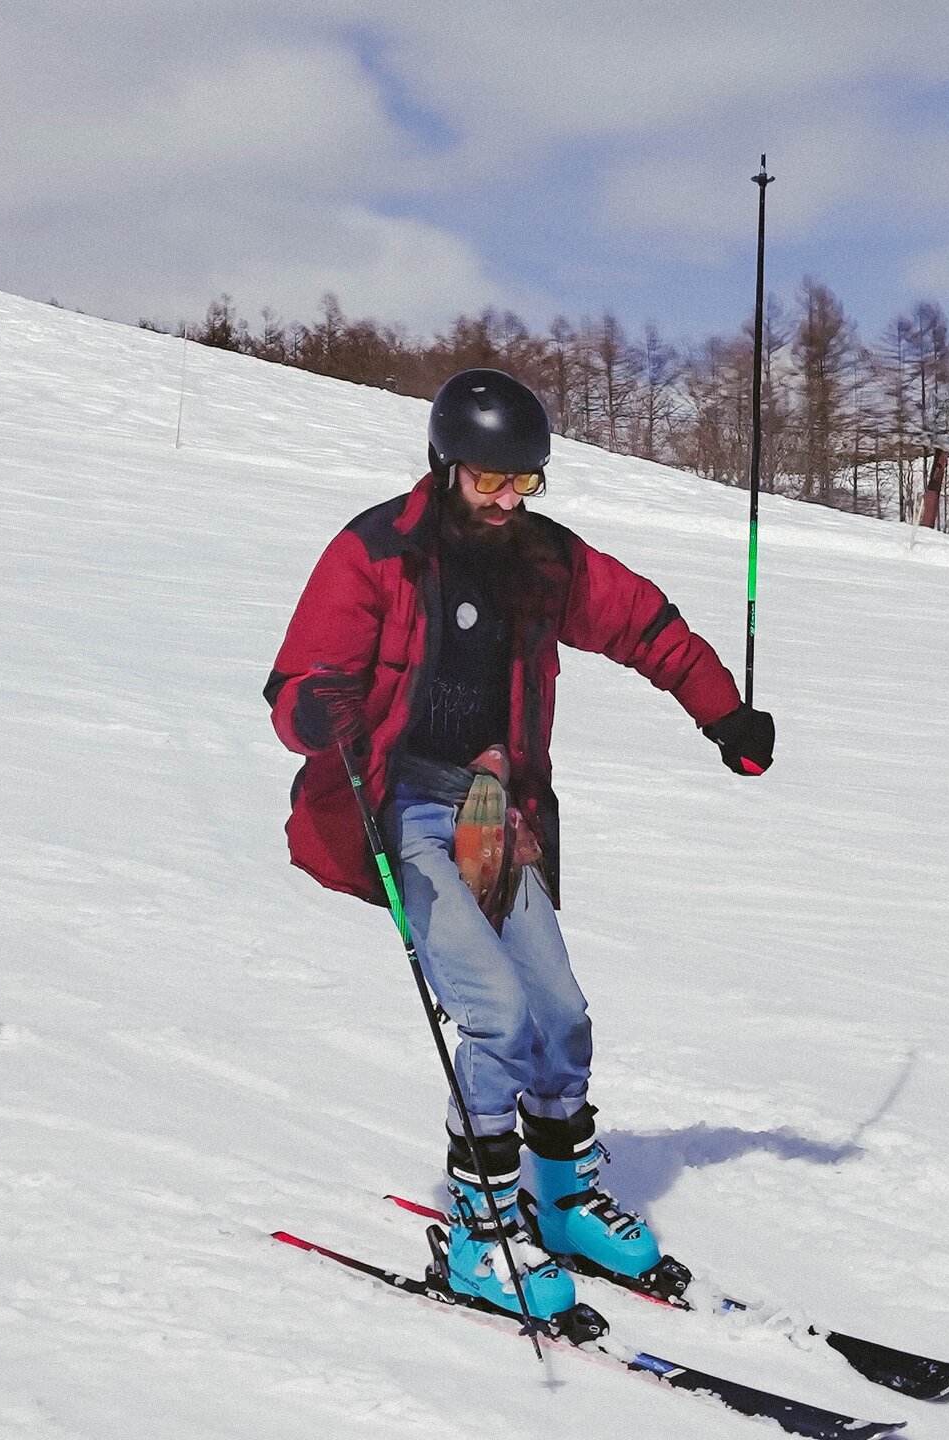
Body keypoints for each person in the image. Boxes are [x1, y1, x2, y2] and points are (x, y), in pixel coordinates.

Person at [264, 369, 775, 1319]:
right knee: (496, 1016)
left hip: (495, 811)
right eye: (489, 479)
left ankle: (565, 1202)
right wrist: (316, 710)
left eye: (524, 481)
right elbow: (296, 683)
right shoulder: (377, 553)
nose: (506, 500)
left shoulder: (543, 561)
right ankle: (479, 1231)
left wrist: (725, 715)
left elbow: (645, 625)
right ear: (446, 465)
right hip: (403, 811)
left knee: (560, 1015)